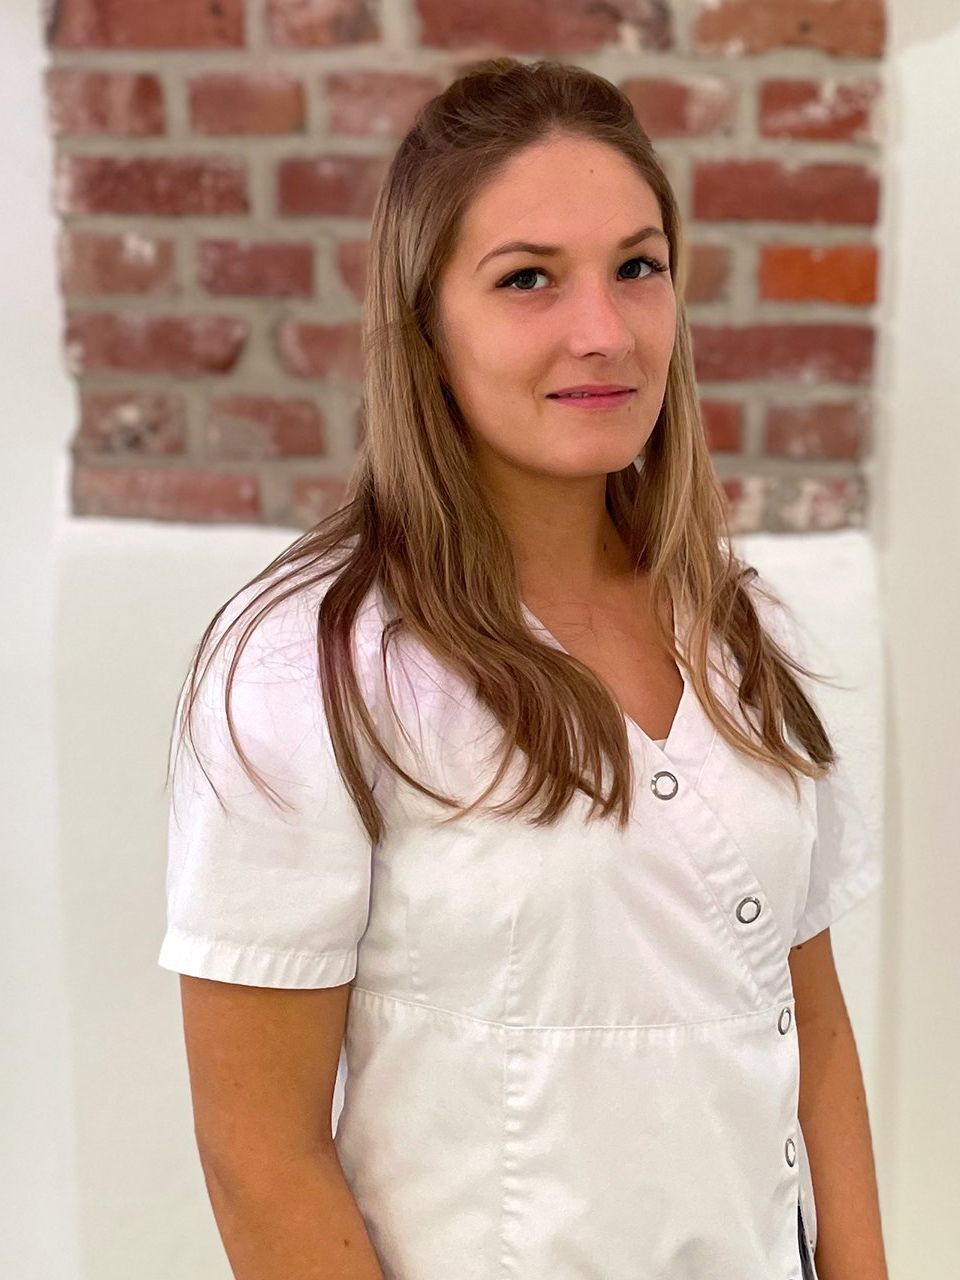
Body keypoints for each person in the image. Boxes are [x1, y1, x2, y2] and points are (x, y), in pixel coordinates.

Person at [158, 57, 887, 1280]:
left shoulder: (739, 625)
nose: (603, 330)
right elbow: (257, 1150)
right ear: (424, 325)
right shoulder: (308, 669)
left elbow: (809, 1029)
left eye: (638, 267)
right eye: (528, 279)